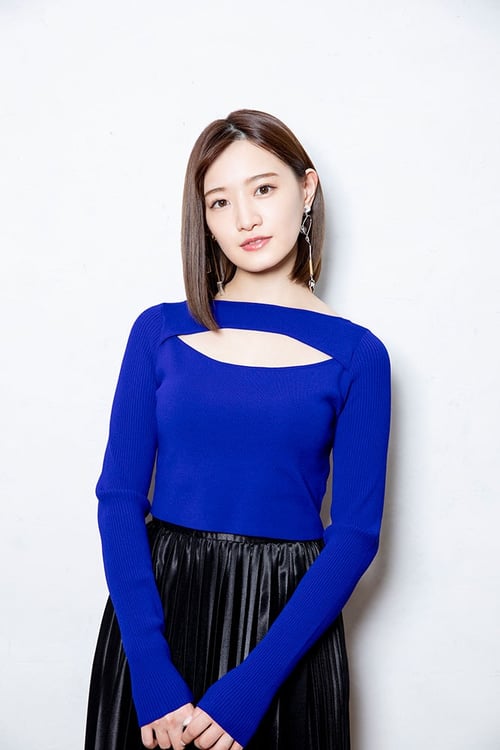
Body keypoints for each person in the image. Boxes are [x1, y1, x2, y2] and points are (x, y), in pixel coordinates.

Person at [84, 109, 391, 750]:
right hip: (159, 615)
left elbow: (356, 536)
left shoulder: (358, 355)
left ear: (306, 190)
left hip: (285, 627)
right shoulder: (159, 331)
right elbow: (117, 499)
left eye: (263, 189)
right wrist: (150, 670)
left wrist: (253, 686)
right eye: (219, 201)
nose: (245, 218)